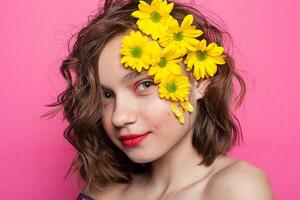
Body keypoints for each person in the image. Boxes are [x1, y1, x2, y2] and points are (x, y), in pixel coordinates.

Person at [45, 0, 274, 199]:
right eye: (107, 95)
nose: (119, 117)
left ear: (201, 82)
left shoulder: (236, 188)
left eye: (144, 85)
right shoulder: (102, 191)